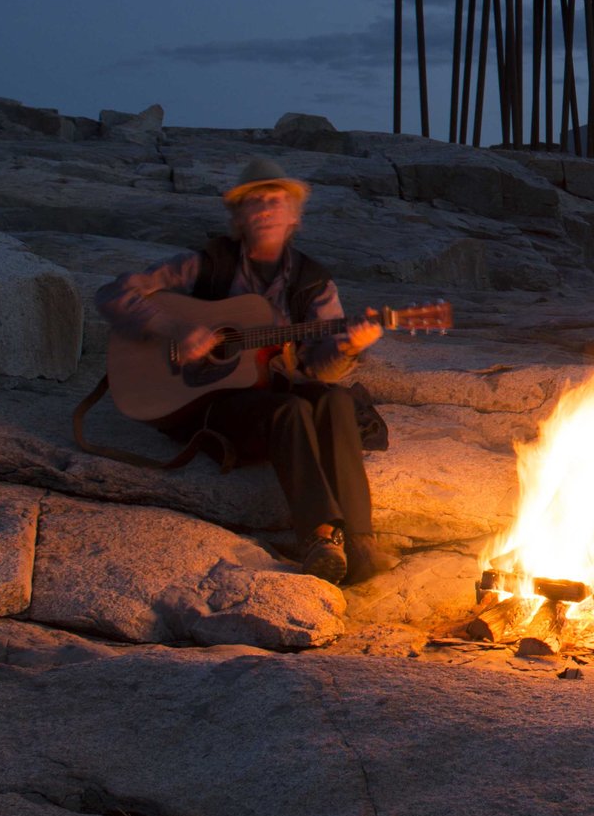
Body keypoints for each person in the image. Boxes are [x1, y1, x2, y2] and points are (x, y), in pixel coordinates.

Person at [97, 157, 386, 585]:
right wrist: (175, 327)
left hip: (269, 391)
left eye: (277, 201)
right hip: (204, 402)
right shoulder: (204, 264)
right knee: (289, 411)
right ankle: (319, 537)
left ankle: (361, 539)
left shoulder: (314, 283)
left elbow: (318, 370)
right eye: (255, 202)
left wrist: (348, 346)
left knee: (337, 400)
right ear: (238, 216)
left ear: (294, 216)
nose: (267, 209)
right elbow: (114, 294)